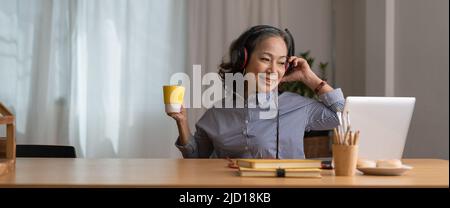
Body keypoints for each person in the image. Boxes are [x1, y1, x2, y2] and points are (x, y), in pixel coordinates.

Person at [167, 25, 344, 159]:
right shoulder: (218, 112)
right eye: (266, 59)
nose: (274, 70)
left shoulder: (298, 107)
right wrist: (182, 122)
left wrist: (310, 78)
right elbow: (196, 157)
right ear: (243, 60)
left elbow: (346, 120)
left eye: (281, 62)